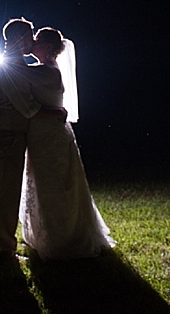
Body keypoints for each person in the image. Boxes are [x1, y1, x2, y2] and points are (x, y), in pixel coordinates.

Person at [19, 27, 116, 260]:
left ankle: (60, 238)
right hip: (43, 134)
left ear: (51, 49)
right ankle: (45, 235)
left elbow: (15, 72)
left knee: (54, 185)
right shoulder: (44, 70)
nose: (33, 42)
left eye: (38, 40)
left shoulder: (48, 72)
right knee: (43, 183)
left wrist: (16, 49)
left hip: (50, 137)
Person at [0, 17, 65, 258]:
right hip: (5, 133)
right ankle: (2, 248)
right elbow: (26, 107)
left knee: (6, 191)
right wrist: (55, 113)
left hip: (10, 132)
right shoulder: (10, 65)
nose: (34, 40)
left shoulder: (15, 63)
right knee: (5, 192)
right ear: (20, 39)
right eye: (30, 36)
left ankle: (1, 243)